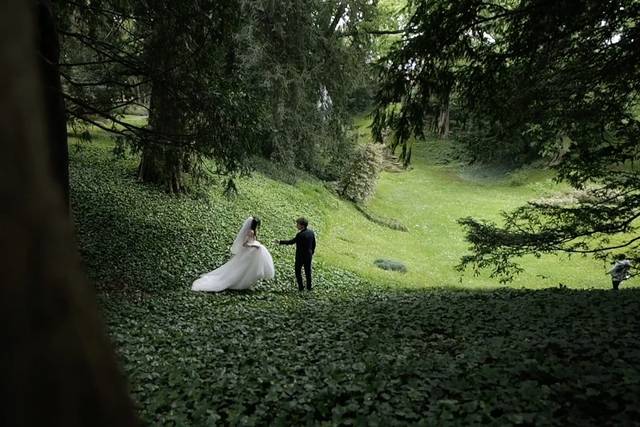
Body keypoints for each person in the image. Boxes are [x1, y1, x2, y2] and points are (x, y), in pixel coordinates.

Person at [192, 216, 274, 292]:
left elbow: (251, 241)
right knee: (242, 268)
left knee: (248, 266)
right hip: (249, 250)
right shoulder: (251, 232)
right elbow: (245, 244)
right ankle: (240, 281)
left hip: (252, 251)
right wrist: (255, 246)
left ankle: (248, 281)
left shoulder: (253, 231)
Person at [276, 217, 316, 291]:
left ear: (302, 226)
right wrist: (312, 252)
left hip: (300, 256)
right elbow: (313, 244)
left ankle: (301, 287)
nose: (296, 226)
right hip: (308, 255)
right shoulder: (311, 232)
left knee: (298, 271)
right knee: (308, 271)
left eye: (297, 224)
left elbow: (291, 242)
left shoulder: (300, 235)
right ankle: (309, 287)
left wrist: (280, 241)